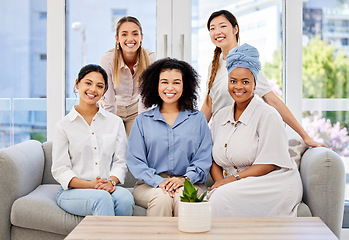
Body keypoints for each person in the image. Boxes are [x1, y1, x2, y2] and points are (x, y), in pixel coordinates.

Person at [201, 10, 327, 148]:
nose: (217, 31)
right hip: (218, 136)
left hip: (240, 138)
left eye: (222, 26)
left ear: (235, 29)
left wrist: (306, 137)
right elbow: (209, 105)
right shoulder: (214, 65)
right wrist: (193, 132)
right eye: (212, 28)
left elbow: (272, 100)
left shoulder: (245, 62)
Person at [208, 43, 302, 217]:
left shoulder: (268, 115)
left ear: (255, 84)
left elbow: (269, 163)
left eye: (245, 82)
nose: (238, 87)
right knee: (217, 196)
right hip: (238, 183)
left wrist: (231, 180)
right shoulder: (220, 116)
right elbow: (212, 159)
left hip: (271, 181)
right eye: (233, 81)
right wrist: (220, 182)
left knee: (220, 199)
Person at [127, 58, 212, 217]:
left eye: (176, 82)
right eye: (164, 82)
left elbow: (204, 158)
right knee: (161, 198)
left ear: (184, 86)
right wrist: (159, 182)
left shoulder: (198, 119)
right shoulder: (142, 121)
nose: (170, 87)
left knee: (183, 197)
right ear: (156, 85)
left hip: (190, 183)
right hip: (149, 185)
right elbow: (135, 161)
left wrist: (185, 179)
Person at [52, 64, 134, 216]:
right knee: (101, 198)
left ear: (104, 91)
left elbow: (120, 162)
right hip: (72, 191)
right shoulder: (63, 126)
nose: (93, 90)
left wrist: (111, 182)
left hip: (105, 185)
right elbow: (60, 170)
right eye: (88, 83)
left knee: (125, 199)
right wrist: (90, 185)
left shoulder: (114, 122)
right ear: (77, 84)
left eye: (99, 86)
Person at [100, 16, 156, 138]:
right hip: (114, 108)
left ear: (141, 37)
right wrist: (109, 130)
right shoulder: (108, 60)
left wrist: (145, 128)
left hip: (135, 109)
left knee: (136, 144)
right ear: (117, 38)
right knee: (113, 144)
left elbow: (145, 100)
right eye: (124, 34)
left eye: (135, 34)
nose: (130, 39)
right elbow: (109, 102)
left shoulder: (150, 59)